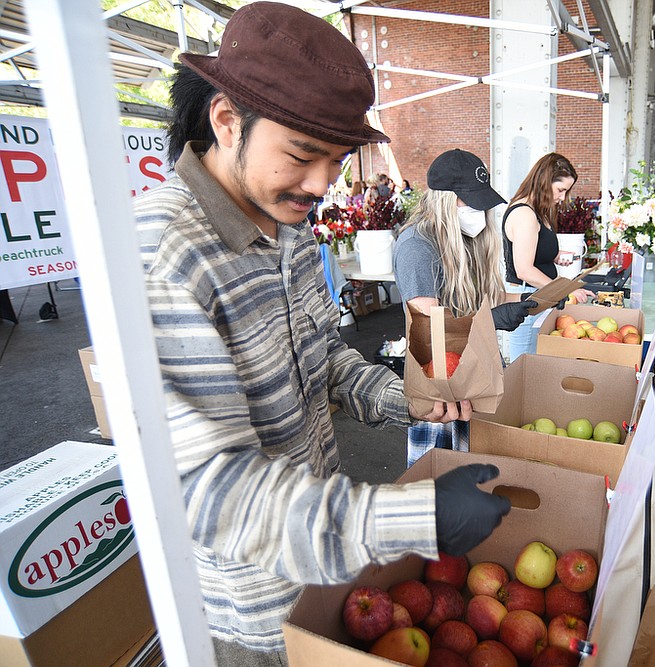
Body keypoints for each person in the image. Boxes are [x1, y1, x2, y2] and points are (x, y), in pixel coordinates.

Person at [136, 4, 510, 663]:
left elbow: (324, 358)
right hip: (251, 609)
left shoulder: (288, 226)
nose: (320, 185)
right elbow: (215, 492)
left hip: (330, 561)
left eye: (335, 163)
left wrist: (406, 397)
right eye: (303, 155)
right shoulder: (167, 254)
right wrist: (414, 518)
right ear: (227, 122)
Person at [393, 149, 536, 465]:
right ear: (443, 200)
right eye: (469, 201)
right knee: (443, 491)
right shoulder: (419, 246)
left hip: (472, 379)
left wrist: (531, 300)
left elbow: (485, 299)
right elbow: (429, 337)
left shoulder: (465, 239)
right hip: (441, 396)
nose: (479, 211)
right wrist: (491, 321)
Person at [503, 153, 592, 361]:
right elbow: (524, 269)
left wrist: (555, 255)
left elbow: (533, 251)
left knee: (534, 363)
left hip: (537, 295)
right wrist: (563, 290)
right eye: (561, 190)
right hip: (527, 298)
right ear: (545, 180)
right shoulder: (524, 214)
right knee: (524, 365)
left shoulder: (537, 211)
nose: (562, 198)